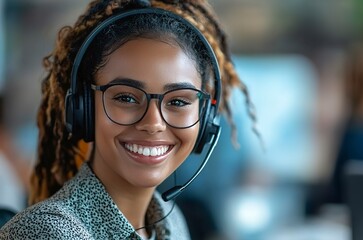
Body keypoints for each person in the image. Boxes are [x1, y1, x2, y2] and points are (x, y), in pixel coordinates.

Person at [0, 0, 255, 239]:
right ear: (82, 109)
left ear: (206, 120)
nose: (153, 123)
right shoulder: (50, 232)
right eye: (126, 98)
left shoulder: (170, 222)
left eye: (178, 101)